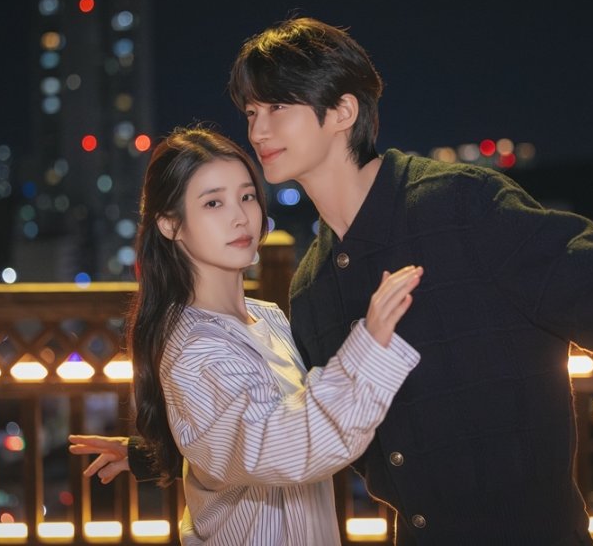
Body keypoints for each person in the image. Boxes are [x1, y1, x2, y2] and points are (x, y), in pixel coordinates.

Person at [73, 18, 593, 545]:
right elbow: (288, 425)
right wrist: (155, 451)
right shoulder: (312, 285)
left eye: (278, 107)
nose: (258, 128)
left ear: (342, 111)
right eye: (251, 111)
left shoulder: (456, 205)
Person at [70, 125, 424, 545]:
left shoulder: (265, 317)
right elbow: (276, 445)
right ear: (170, 224)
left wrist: (158, 452)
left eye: (247, 196)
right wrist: (370, 344)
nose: (240, 217)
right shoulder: (195, 349)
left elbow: (242, 432)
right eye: (213, 202)